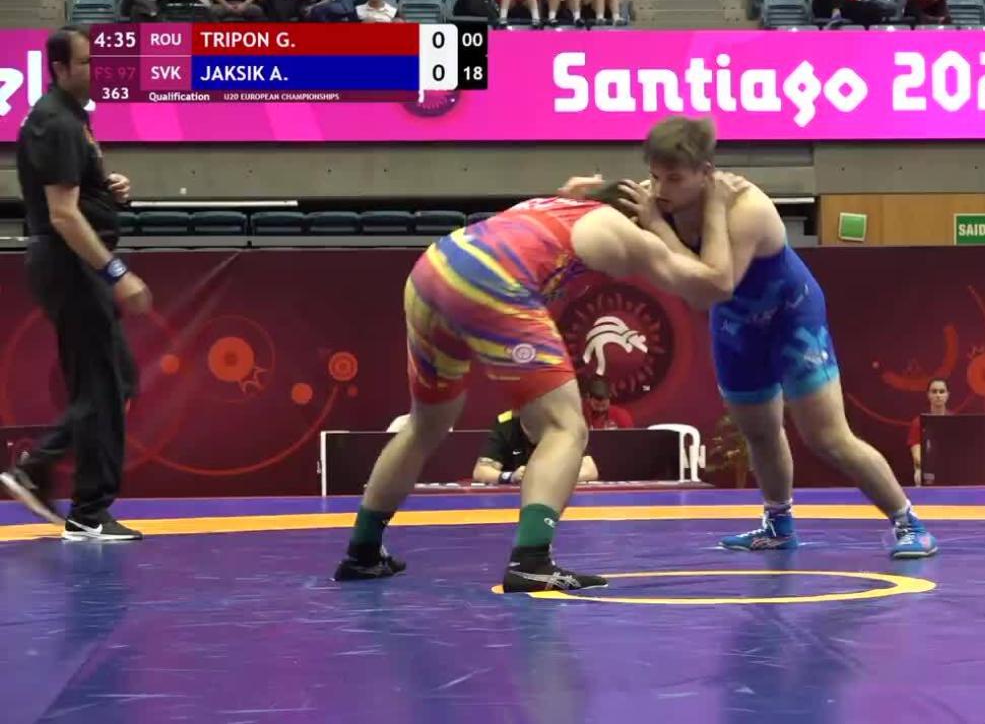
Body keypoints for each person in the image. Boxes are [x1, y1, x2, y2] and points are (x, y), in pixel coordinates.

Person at [331, 175, 744, 592]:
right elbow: (714, 286)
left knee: (426, 424)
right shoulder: (621, 229)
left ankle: (362, 552)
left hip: (432, 269)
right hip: (491, 280)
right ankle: (531, 561)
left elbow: (564, 214)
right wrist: (701, 210)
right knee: (565, 428)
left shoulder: (548, 206)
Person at [560, 116, 936, 559]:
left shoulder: (746, 208)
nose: (660, 189)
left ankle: (908, 522)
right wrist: (581, 196)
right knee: (759, 433)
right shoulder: (657, 197)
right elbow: (596, 211)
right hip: (736, 326)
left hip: (791, 318)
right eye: (656, 176)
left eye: (674, 179)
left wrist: (659, 227)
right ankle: (778, 523)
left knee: (828, 437)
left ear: (706, 172)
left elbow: (713, 287)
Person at [1, 26, 152, 542]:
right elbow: (63, 215)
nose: (96, 71)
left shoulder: (72, 119)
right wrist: (115, 272)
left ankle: (51, 479)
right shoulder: (56, 121)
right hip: (71, 265)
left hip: (73, 265)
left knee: (115, 381)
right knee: (101, 385)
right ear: (61, 68)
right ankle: (77, 501)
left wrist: (110, 188)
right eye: (86, 63)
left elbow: (77, 195)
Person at [471, 410, 600, 485]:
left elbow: (589, 470)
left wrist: (552, 477)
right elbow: (481, 471)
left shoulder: (562, 424)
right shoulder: (506, 425)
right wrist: (511, 477)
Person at [907, 378, 951, 487]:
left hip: (951, 468)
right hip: (928, 471)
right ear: (928, 395)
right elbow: (917, 457)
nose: (938, 395)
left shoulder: (955, 421)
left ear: (947, 395)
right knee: (919, 475)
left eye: (942, 391)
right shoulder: (918, 422)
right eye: (934, 391)